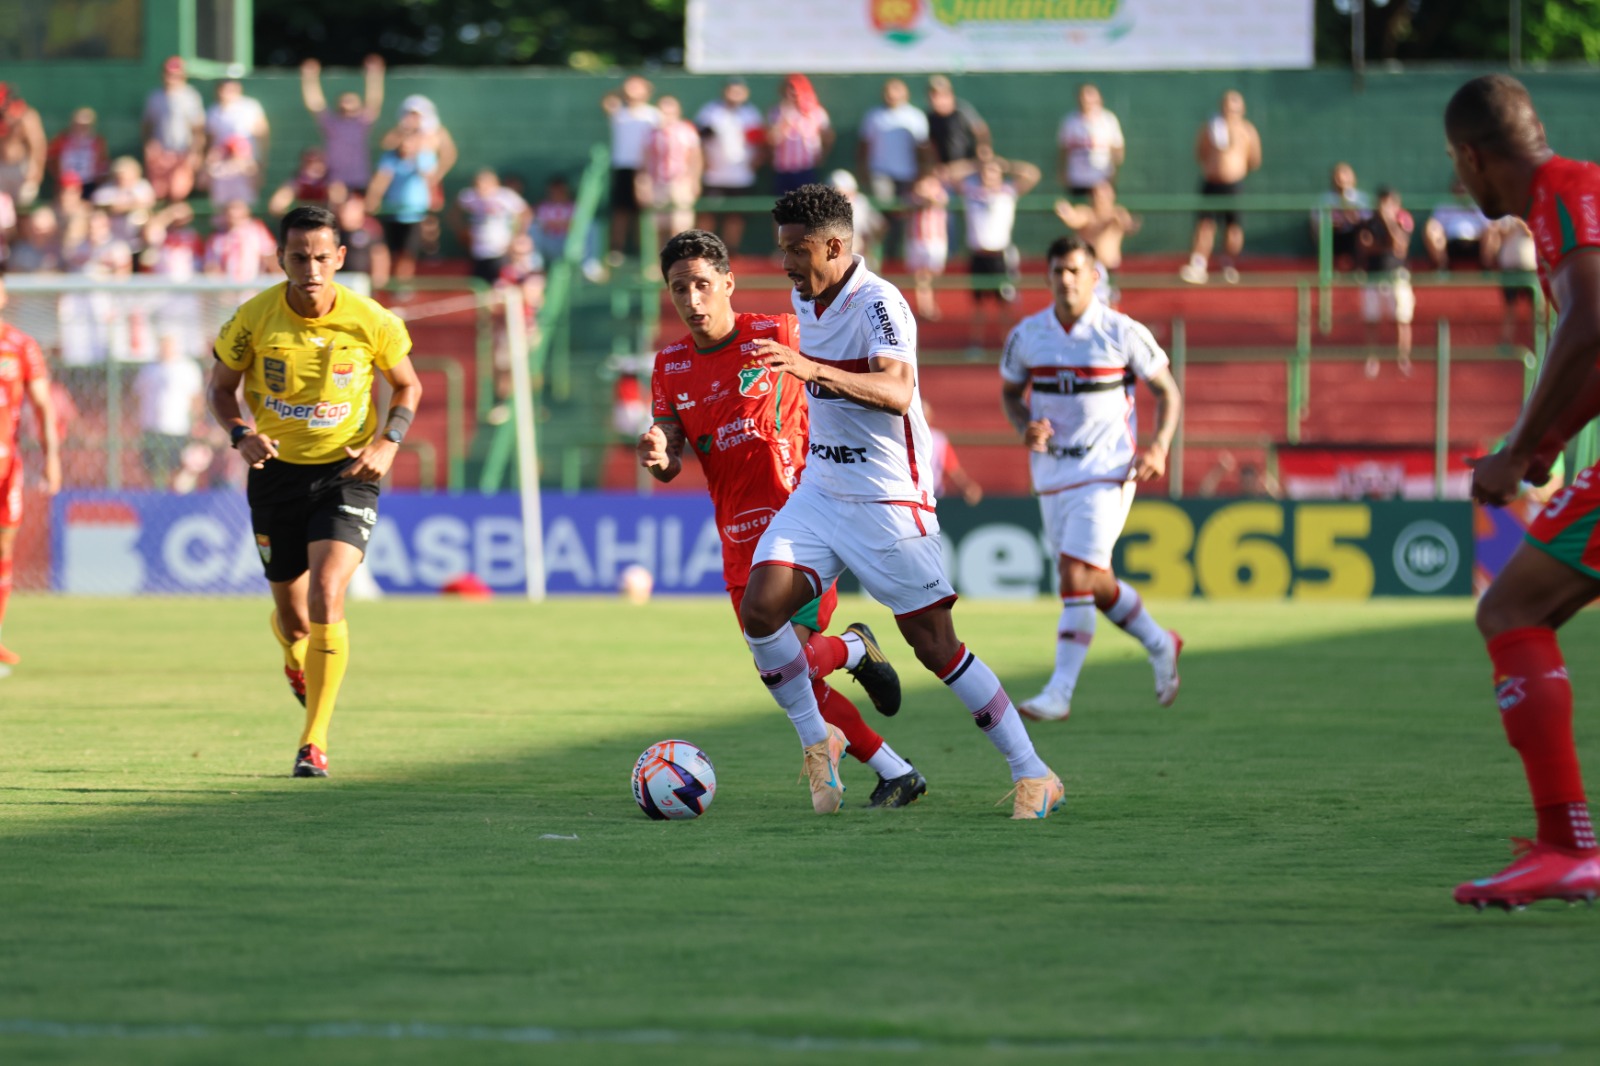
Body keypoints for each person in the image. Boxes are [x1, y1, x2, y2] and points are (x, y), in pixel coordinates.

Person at [740, 183, 1064, 818]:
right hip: (821, 490)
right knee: (760, 610)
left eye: (796, 250)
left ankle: (1034, 772)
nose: (786, 263)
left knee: (934, 645)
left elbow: (895, 390)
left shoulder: (881, 303)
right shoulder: (803, 296)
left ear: (835, 245)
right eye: (781, 249)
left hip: (888, 498)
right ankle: (818, 739)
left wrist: (812, 371)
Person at [637, 228, 926, 808]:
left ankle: (847, 651)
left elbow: (852, 374)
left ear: (727, 283)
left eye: (701, 285)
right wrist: (659, 451)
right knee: (791, 679)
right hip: (737, 535)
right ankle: (895, 767)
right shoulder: (669, 364)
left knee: (785, 662)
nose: (691, 300)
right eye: (678, 289)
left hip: (805, 521)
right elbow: (670, 452)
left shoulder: (780, 333)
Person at [1445, 73, 1600, 909]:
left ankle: (1567, 846)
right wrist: (1543, 442)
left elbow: (1591, 323)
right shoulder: (1567, 202)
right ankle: (1564, 845)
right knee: (1519, 612)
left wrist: (1516, 451)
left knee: (1510, 611)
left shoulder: (1566, 196)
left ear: (1473, 157)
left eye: (1456, 166)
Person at [207, 204, 423, 777]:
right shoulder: (253, 318)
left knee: (329, 592)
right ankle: (293, 654)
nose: (310, 268)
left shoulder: (370, 319)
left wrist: (388, 442)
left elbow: (407, 385)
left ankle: (313, 742)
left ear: (340, 259)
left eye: (321, 257)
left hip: (346, 472)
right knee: (295, 617)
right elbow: (221, 389)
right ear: (281, 258)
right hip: (274, 473)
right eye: (298, 257)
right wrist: (239, 434)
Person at [999, 232, 1183, 722]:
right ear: (1048, 277)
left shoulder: (1121, 331)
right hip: (1054, 470)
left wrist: (1160, 447)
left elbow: (1168, 392)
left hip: (1107, 469)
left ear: (1094, 277)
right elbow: (1010, 394)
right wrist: (1025, 426)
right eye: (1058, 271)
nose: (1066, 280)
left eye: (1076, 271)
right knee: (1091, 580)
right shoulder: (1028, 335)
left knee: (1075, 575)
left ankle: (1060, 691)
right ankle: (1161, 642)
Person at [0, 273, 61, 676]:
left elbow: (42, 406)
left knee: (3, 553)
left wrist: (52, 457)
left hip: (8, 466)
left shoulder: (20, 345)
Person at [956, 152, 1039, 350]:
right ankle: (976, 343)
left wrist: (1006, 165)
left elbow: (1033, 174)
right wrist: (976, 164)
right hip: (978, 254)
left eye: (993, 172)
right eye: (985, 172)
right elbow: (949, 175)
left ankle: (1007, 341)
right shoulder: (972, 192)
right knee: (978, 303)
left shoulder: (1007, 191)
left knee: (1006, 303)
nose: (988, 176)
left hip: (1000, 255)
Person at [1180, 90, 1261, 285]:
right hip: (1211, 184)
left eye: (1234, 107)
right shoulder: (1210, 127)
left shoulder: (1247, 130)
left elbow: (1255, 159)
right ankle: (1199, 265)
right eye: (1226, 106)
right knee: (1205, 225)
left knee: (1233, 228)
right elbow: (1200, 152)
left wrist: (1235, 171)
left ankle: (1228, 264)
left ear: (1242, 109)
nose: (1230, 110)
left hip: (1234, 187)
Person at [857, 78, 929, 262]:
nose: (892, 95)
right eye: (889, 91)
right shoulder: (874, 116)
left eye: (896, 90)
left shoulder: (916, 117)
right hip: (881, 174)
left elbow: (922, 149)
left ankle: (901, 258)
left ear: (905, 94)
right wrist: (863, 170)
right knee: (883, 215)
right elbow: (864, 145)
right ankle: (877, 257)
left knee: (904, 217)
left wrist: (921, 175)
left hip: (908, 175)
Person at [695, 77, 765, 251]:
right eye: (731, 90)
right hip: (714, 176)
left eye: (738, 91)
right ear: (724, 91)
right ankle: (704, 250)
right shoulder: (710, 112)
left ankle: (731, 252)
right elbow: (699, 142)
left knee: (736, 216)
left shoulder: (751, 114)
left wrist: (754, 164)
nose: (734, 95)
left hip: (742, 177)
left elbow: (759, 144)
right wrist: (703, 163)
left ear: (745, 94)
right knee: (707, 213)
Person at [300, 55, 385, 194]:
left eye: (351, 100)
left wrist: (375, 75)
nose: (347, 103)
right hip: (336, 181)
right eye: (344, 100)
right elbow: (315, 105)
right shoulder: (332, 123)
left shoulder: (362, 122)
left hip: (360, 180)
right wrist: (309, 77)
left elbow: (374, 102)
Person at [1356, 186, 1415, 378]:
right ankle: (1372, 360)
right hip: (1373, 276)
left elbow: (1399, 246)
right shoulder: (1368, 223)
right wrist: (1384, 245)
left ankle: (1402, 359)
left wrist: (1388, 223)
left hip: (1396, 276)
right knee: (1371, 320)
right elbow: (1366, 246)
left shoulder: (1403, 220)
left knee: (1402, 319)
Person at [601, 76, 659, 266]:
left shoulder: (654, 115)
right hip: (623, 167)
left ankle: (647, 253)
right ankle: (616, 250)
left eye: (637, 87)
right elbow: (607, 102)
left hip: (647, 169)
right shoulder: (619, 112)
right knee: (621, 211)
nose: (632, 91)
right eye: (629, 88)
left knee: (647, 213)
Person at [135, 333, 204, 489]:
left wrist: (197, 422)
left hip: (178, 429)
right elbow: (137, 396)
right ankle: (158, 500)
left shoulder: (187, 368)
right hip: (152, 428)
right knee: (153, 470)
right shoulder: (148, 369)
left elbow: (196, 399)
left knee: (179, 470)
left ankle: (176, 503)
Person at [365, 131, 437, 282]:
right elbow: (381, 180)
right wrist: (372, 199)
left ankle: (402, 284)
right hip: (391, 212)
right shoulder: (390, 158)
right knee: (386, 251)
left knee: (407, 253)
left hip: (414, 215)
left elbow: (429, 177)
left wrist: (419, 155)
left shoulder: (424, 158)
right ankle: (384, 284)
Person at [1054, 181, 1139, 302]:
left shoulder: (1117, 213)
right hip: (1090, 268)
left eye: (1103, 192)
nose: (1098, 196)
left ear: (1111, 195)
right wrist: (1065, 212)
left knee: (1112, 304)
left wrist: (1125, 223)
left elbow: (1129, 227)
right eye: (1095, 193)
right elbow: (1074, 219)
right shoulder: (1086, 213)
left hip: (1111, 269)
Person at [141, 57, 205, 202]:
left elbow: (198, 128)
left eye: (176, 75)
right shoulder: (155, 97)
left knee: (178, 192)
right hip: (160, 152)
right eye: (169, 74)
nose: (172, 78)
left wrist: (196, 153)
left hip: (183, 151)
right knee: (158, 192)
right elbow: (147, 125)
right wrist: (148, 146)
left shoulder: (191, 97)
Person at [451, 168, 531, 285]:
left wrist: (518, 236)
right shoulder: (469, 196)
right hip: (477, 250)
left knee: (499, 284)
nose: (482, 189)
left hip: (500, 249)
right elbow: (454, 214)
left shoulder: (505, 197)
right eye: (478, 185)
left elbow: (526, 214)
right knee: (479, 283)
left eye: (485, 185)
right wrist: (462, 231)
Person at [642, 96, 702, 244]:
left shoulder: (687, 131)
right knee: (658, 226)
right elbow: (645, 160)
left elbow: (696, 157)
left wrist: (694, 180)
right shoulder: (652, 133)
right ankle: (658, 262)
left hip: (681, 182)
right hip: (658, 183)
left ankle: (680, 262)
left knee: (681, 226)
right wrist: (644, 183)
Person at [767, 75, 832, 196]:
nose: (792, 92)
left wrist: (822, 154)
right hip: (783, 169)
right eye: (789, 88)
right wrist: (783, 121)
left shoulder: (816, 112)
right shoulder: (777, 112)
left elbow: (828, 136)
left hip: (806, 169)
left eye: (795, 88)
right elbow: (772, 139)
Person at [1058, 84, 1123, 198]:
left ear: (1098, 98)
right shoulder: (1070, 121)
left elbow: (1118, 149)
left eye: (1090, 96)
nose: (1086, 100)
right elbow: (1064, 149)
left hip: (1101, 179)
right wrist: (1063, 172)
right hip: (1077, 179)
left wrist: (1114, 173)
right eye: (1083, 96)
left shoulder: (1108, 120)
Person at [1424, 177, 1496, 273]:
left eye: (1465, 188)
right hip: (1451, 246)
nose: (1462, 190)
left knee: (1493, 229)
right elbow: (1433, 226)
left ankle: (1486, 269)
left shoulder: (1480, 207)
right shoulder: (1444, 206)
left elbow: (1490, 226)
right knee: (1430, 228)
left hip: (1476, 246)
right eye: (1459, 187)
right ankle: (1442, 268)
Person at [1310, 162, 1371, 271]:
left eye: (1345, 177)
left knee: (1364, 235)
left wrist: (1353, 218)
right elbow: (1316, 220)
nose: (1342, 181)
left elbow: (1367, 219)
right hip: (1333, 236)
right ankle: (1328, 271)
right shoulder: (1325, 199)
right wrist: (1331, 223)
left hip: (1355, 236)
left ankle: (1360, 270)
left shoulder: (1361, 199)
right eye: (1338, 178)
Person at [924, 75, 990, 175]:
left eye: (943, 95)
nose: (938, 99)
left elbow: (981, 131)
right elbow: (928, 146)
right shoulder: (929, 117)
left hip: (969, 168)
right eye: (934, 95)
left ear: (950, 95)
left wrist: (982, 155)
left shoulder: (962, 111)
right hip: (944, 172)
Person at [905, 172, 949, 320]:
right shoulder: (913, 196)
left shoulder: (941, 194)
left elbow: (937, 202)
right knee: (921, 275)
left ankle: (931, 303)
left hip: (936, 241)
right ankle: (925, 307)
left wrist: (928, 194)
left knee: (934, 274)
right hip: (918, 240)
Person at [921, 399, 982, 505]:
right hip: (906, 496)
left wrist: (966, 486)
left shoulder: (938, 440)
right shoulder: (901, 437)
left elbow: (952, 469)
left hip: (932, 496)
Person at [205, 79, 271, 173]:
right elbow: (210, 139)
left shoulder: (251, 106)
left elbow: (263, 132)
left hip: (247, 163)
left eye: (231, 89)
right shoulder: (212, 111)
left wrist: (261, 159)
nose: (226, 92)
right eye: (224, 88)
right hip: (221, 164)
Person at [204, 200, 277, 284]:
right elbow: (210, 265)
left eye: (237, 208)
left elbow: (269, 257)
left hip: (250, 286)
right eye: (230, 209)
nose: (233, 212)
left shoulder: (257, 231)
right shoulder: (215, 237)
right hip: (225, 289)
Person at [0, 83, 47, 208]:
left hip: (21, 167)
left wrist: (36, 170)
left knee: (23, 209)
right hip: (2, 167)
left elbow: (38, 145)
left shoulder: (26, 115)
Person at [47, 107, 109, 196]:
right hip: (67, 182)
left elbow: (103, 162)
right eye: (78, 124)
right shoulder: (62, 139)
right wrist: (58, 174)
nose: (81, 128)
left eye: (86, 125)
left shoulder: (97, 141)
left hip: (89, 182)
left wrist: (99, 179)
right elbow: (50, 157)